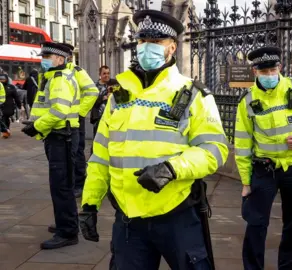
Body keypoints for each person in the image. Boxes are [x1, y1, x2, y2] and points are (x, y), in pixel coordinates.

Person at [79, 10, 229, 270]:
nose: (147, 47)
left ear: (172, 47)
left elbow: (214, 150)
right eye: (142, 41)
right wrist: (90, 203)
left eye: (156, 42)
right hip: (128, 218)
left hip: (176, 213)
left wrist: (172, 169)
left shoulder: (193, 94)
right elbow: (101, 154)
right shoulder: (119, 96)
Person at [234, 46, 292, 269]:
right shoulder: (247, 102)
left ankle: (288, 265)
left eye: (272, 70)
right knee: (256, 223)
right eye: (264, 72)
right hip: (264, 170)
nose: (269, 75)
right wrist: (246, 182)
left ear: (280, 68)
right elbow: (243, 144)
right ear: (255, 72)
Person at [22, 42, 81, 249]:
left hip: (61, 137)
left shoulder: (59, 80)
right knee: (62, 185)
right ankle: (66, 224)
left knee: (61, 185)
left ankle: (67, 231)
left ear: (60, 59)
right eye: (43, 55)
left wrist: (36, 126)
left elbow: (58, 111)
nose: (43, 59)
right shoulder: (54, 78)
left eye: (47, 55)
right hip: (59, 136)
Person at [61, 42, 99, 198]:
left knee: (77, 152)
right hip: (60, 120)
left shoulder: (77, 71)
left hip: (75, 120)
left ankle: (79, 184)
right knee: (65, 154)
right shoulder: (55, 73)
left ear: (69, 56)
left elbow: (92, 92)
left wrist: (80, 113)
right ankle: (69, 182)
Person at [90, 65, 111, 137]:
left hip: (110, 118)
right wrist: (103, 98)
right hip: (98, 118)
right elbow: (91, 102)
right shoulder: (94, 86)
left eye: (108, 73)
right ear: (100, 75)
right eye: (104, 73)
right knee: (97, 139)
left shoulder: (112, 85)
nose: (106, 75)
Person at [0, 74, 22, 138]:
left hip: (8, 105)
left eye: (3, 79)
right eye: (0, 79)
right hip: (1, 105)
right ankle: (6, 131)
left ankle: (6, 131)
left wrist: (19, 105)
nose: (1, 80)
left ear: (6, 79)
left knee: (5, 118)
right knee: (3, 118)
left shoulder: (11, 87)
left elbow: (16, 97)